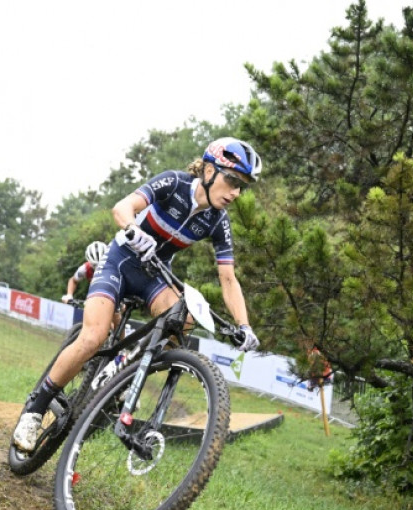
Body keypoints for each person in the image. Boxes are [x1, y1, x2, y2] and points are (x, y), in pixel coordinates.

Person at [14, 137, 262, 451]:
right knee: (93, 337)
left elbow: (228, 279)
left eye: (243, 186)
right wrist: (133, 229)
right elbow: (122, 207)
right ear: (209, 171)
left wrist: (244, 326)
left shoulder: (217, 221)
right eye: (232, 181)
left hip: (154, 275)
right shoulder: (174, 183)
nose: (236, 192)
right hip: (120, 261)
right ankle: (35, 409)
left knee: (182, 319)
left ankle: (130, 372)